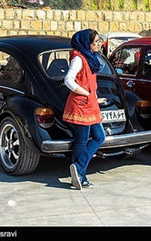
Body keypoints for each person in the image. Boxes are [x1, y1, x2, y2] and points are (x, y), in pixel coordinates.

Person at [63, 29, 107, 190]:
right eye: (95, 41)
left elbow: (90, 82)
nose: (98, 44)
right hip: (81, 104)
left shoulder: (90, 58)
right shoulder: (79, 59)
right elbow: (68, 80)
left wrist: (94, 97)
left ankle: (78, 168)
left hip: (90, 104)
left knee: (99, 137)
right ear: (86, 44)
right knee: (82, 140)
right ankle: (80, 174)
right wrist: (86, 93)